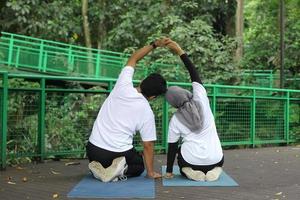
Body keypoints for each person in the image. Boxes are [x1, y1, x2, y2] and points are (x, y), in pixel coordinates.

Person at [86, 38, 169, 182]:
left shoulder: (122, 84)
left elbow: (134, 58)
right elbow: (148, 145)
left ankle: (100, 170)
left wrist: (154, 45)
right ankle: (119, 171)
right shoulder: (147, 111)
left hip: (93, 150)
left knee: (108, 157)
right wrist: (150, 172)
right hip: (116, 154)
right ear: (153, 97)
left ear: (142, 81)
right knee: (138, 165)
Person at [164, 39, 224, 181]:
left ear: (174, 104)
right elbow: (193, 72)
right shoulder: (201, 99)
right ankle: (214, 171)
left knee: (179, 150)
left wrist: (169, 171)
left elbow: (172, 147)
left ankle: (189, 171)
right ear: (184, 92)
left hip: (192, 161)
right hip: (216, 158)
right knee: (217, 157)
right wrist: (179, 51)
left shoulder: (175, 119)